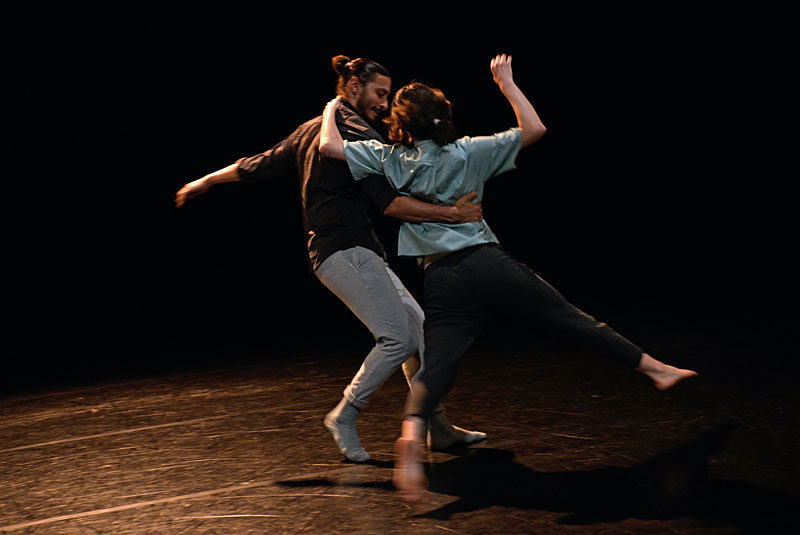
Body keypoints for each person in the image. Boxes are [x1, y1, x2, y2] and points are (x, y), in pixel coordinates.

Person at [320, 54, 698, 500]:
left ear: (403, 124)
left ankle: (412, 433)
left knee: (436, 367)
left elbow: (329, 147)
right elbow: (534, 129)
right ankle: (655, 369)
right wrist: (506, 83)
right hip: (487, 263)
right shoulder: (469, 151)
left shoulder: (391, 158)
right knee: (569, 318)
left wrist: (332, 107)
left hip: (442, 278)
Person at [174, 55, 486, 463]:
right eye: (380, 94)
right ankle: (344, 414)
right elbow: (391, 203)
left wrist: (205, 180)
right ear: (354, 87)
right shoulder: (353, 133)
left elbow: (258, 165)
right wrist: (450, 213)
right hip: (344, 251)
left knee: (417, 330)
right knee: (398, 338)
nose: (385, 104)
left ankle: (438, 428)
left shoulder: (312, 128)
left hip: (352, 251)